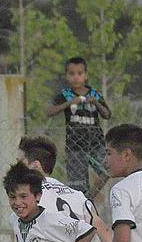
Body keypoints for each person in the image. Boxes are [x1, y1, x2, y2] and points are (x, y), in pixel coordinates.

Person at [47, 57, 112, 197]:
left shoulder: (94, 94)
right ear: (67, 76)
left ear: (86, 75)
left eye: (80, 73)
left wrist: (96, 103)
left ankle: (90, 198)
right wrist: (69, 103)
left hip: (96, 142)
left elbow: (107, 114)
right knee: (77, 184)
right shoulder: (65, 95)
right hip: (75, 145)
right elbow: (50, 111)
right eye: (72, 74)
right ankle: (81, 203)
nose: (76, 77)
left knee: (106, 170)